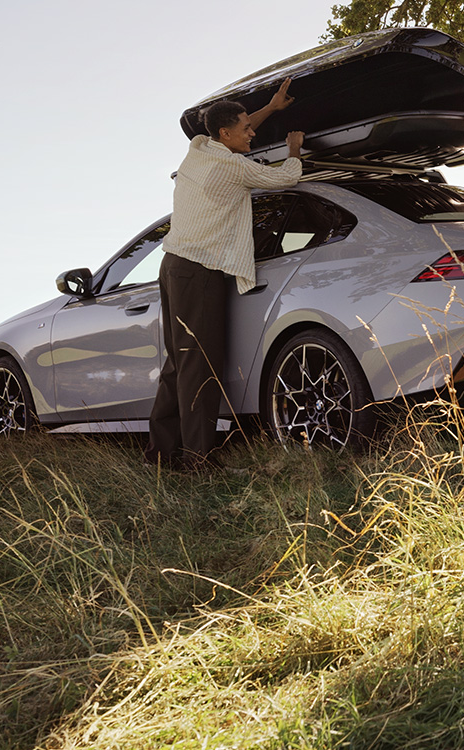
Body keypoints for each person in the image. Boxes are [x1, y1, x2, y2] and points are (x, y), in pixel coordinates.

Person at [145, 79, 304, 471]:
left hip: (174, 267)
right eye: (247, 129)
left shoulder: (198, 151)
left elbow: (232, 127)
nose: (253, 132)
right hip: (198, 272)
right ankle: (199, 460)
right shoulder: (232, 168)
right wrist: (295, 150)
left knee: (180, 363)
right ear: (225, 134)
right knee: (199, 364)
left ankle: (162, 456)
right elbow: (286, 178)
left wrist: (270, 108)